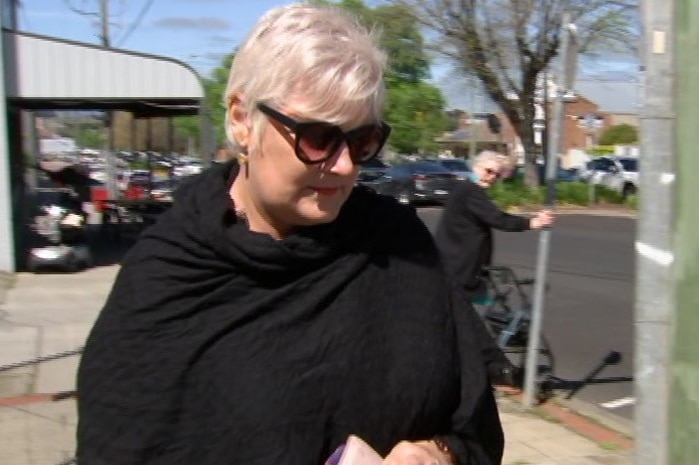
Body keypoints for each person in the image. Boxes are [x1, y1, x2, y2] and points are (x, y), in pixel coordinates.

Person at [76, 4, 503, 465]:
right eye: (318, 137)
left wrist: (435, 455)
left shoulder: (399, 246)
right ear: (242, 119)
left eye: (362, 142)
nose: (343, 166)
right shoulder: (167, 275)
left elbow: (474, 422)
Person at [435, 151, 554, 303]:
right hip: (459, 267)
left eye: (496, 175)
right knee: (466, 313)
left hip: (455, 265)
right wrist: (532, 222)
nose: (491, 177)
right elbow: (498, 219)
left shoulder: (465, 188)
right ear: (476, 167)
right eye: (488, 171)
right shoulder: (471, 191)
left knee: (475, 308)